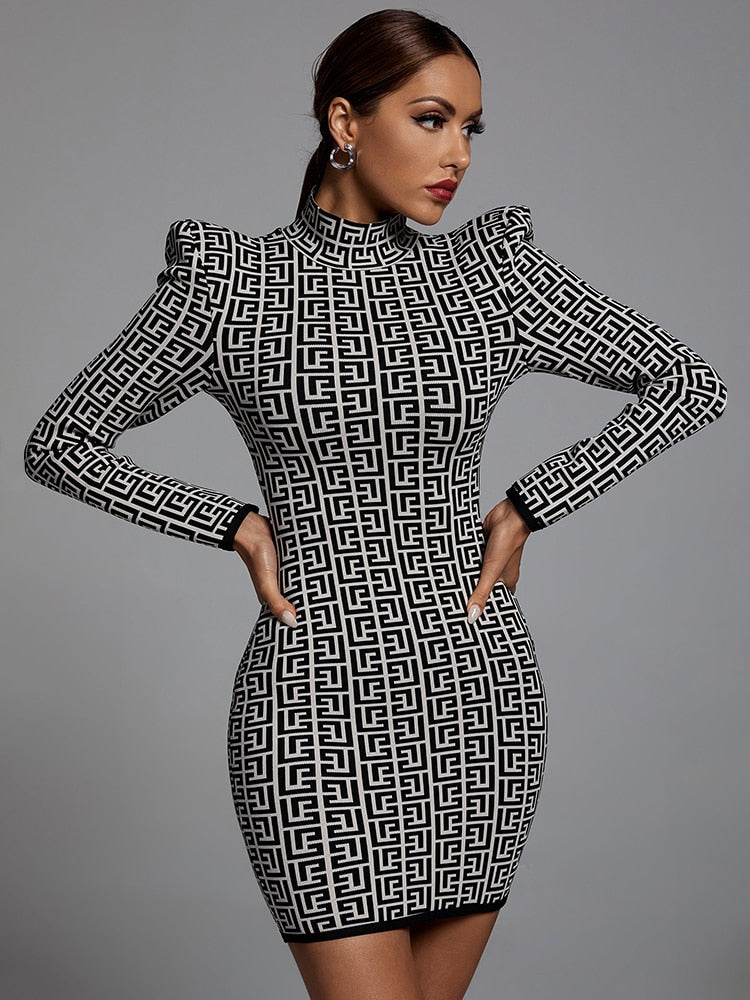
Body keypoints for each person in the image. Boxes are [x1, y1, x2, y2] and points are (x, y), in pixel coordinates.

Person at [23, 9, 727, 1000]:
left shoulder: (488, 277)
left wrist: (530, 505)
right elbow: (61, 443)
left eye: (471, 128)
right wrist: (236, 525)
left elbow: (689, 382)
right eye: (432, 119)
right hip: (315, 705)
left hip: (477, 697)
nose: (458, 155)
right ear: (345, 121)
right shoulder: (233, 287)